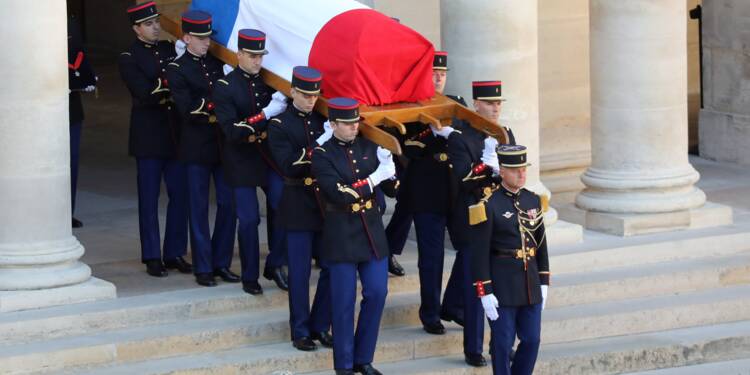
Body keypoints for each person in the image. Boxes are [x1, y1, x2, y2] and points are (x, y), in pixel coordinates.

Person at [311, 98, 395, 375]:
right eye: (346, 123)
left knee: (377, 292)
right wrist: (375, 179)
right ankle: (344, 365)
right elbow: (339, 193)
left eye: (356, 122)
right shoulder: (323, 154)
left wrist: (391, 170)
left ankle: (363, 357)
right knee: (344, 302)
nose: (353, 127)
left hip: (371, 230)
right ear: (333, 124)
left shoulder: (369, 146)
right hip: (342, 233)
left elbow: (393, 189)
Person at [441, 80, 511, 366]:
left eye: (498, 103)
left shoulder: (505, 134)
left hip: (501, 219)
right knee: (475, 288)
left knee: (504, 288)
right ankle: (473, 348)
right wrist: (485, 165)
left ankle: (501, 345)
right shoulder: (461, 138)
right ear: (476, 105)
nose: (495, 108)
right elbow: (463, 179)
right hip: (473, 218)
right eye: (490, 103)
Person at [119, 1, 191, 278]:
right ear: (136, 28)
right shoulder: (129, 56)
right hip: (148, 136)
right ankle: (151, 254)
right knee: (148, 199)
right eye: (148, 24)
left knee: (179, 195)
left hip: (173, 134)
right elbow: (144, 93)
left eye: (156, 22)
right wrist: (168, 87)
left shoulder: (167, 49)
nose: (156, 27)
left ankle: (174, 252)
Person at [214, 28, 288, 294]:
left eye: (260, 56)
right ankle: (249, 276)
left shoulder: (268, 82)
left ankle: (275, 264)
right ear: (239, 54)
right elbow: (232, 131)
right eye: (252, 55)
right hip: (241, 159)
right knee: (248, 220)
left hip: (267, 157)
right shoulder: (225, 87)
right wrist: (266, 114)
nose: (257, 61)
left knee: (283, 206)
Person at [166, 10, 236, 287]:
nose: (206, 42)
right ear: (186, 38)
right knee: (198, 207)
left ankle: (221, 262)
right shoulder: (177, 68)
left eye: (208, 37)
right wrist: (216, 104)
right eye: (200, 37)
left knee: (228, 204)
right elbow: (188, 109)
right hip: (196, 145)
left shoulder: (217, 64)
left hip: (221, 143)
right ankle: (203, 266)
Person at [267, 66, 333, 350]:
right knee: (300, 272)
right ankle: (300, 329)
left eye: (315, 95)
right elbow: (288, 166)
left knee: (331, 266)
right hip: (298, 203)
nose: (310, 100)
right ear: (292, 91)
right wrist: (321, 144)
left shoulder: (324, 120)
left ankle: (320, 324)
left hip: (326, 204)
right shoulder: (280, 125)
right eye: (305, 94)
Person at [470, 145, 549, 375]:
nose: (521, 174)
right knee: (502, 345)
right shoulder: (489, 205)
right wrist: (485, 291)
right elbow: (480, 252)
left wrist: (543, 280)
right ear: (502, 171)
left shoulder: (533, 200)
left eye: (523, 169)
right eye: (515, 170)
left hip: (529, 283)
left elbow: (541, 243)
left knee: (532, 340)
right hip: (502, 286)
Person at [67, 15, 97, 229]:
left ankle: (68, 211)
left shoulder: (70, 22)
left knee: (71, 162)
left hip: (71, 107)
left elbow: (78, 55)